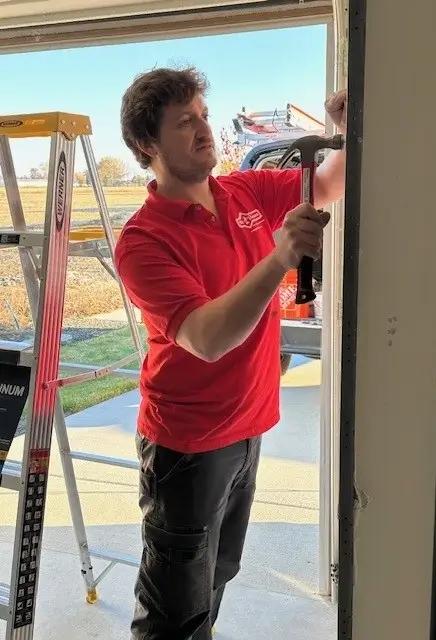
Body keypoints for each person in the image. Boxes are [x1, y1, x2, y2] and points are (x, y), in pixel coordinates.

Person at [115, 66, 347, 640]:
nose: (203, 131)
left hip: (247, 428)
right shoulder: (143, 240)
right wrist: (278, 259)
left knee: (216, 574)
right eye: (183, 123)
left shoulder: (240, 192)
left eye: (203, 116)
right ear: (148, 145)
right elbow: (206, 338)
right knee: (174, 605)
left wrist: (349, 127)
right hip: (188, 444)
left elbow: (330, 183)